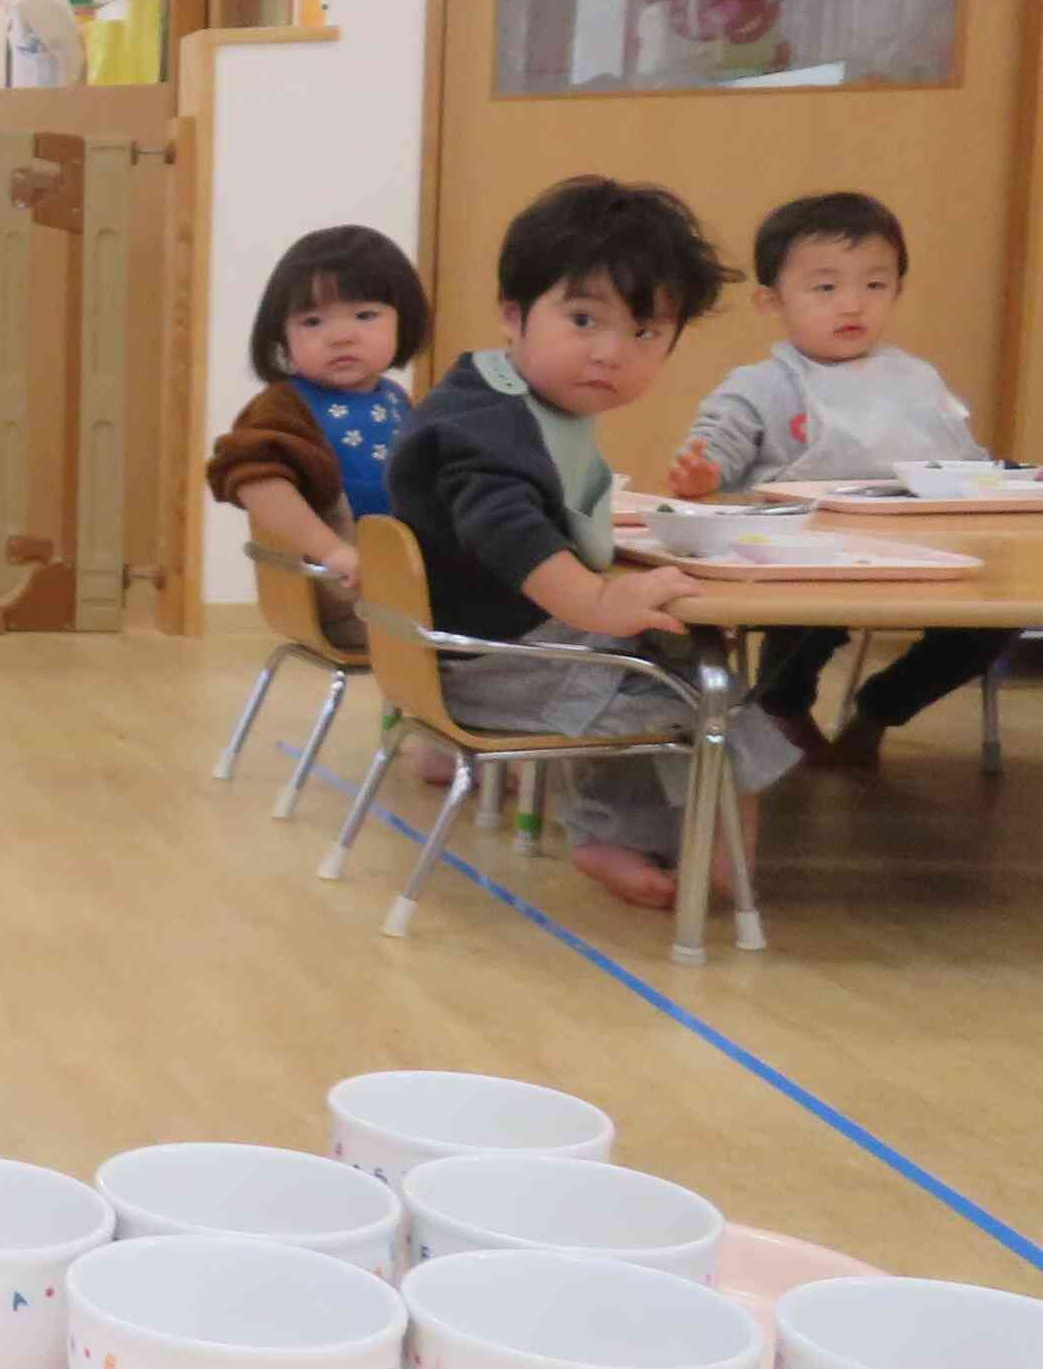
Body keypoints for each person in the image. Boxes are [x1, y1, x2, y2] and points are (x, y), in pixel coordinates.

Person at [385, 176, 789, 913]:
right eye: (582, 319)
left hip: (489, 649)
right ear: (514, 315)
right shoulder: (487, 426)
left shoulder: (504, 398)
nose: (610, 353)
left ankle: (631, 836)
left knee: (680, 658)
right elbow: (502, 528)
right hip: (495, 667)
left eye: (644, 333)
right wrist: (601, 598)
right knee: (712, 700)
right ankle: (706, 870)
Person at [663, 189, 1015, 769]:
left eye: (874, 286)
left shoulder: (917, 378)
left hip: (927, 554)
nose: (852, 304)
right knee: (804, 618)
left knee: (992, 621)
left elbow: (964, 463)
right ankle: (781, 706)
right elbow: (712, 451)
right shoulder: (762, 384)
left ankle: (879, 709)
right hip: (806, 559)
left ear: (897, 290)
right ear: (772, 300)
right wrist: (704, 472)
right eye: (826, 288)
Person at [206, 223, 432, 647]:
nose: (341, 336)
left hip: (405, 587)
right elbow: (255, 481)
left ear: (404, 319)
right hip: (350, 597)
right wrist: (332, 551)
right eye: (312, 321)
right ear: (282, 338)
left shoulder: (399, 400)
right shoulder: (286, 406)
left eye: (365, 315)